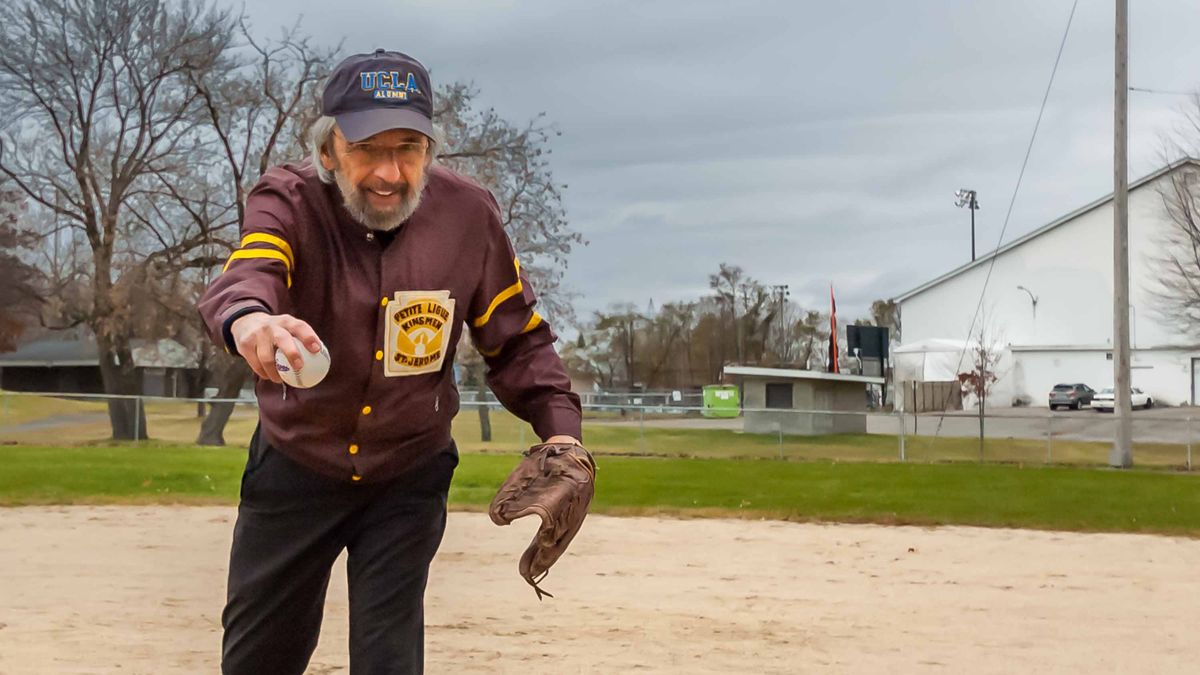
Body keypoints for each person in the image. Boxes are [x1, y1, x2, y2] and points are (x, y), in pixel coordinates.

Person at [197, 48, 582, 675]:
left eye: (408, 147)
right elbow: (251, 272)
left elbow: (518, 340)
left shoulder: (469, 217)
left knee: (389, 658)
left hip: (408, 471)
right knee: (261, 657)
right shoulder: (287, 200)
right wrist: (253, 320)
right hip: (297, 465)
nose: (390, 171)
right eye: (367, 148)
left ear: (430, 150)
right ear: (328, 153)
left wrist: (563, 436)